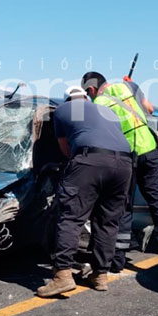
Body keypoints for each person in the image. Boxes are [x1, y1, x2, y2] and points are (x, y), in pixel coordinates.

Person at [37, 86, 133, 297]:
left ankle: (62, 275)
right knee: (107, 221)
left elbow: (65, 150)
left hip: (90, 160)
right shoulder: (107, 111)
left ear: (67, 99)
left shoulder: (62, 110)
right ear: (86, 97)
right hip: (124, 164)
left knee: (71, 217)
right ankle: (100, 274)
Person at [83, 71, 158, 279]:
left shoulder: (98, 103)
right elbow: (150, 108)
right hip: (150, 150)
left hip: (127, 155)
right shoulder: (128, 87)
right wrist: (133, 86)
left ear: (91, 89)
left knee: (123, 206)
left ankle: (117, 261)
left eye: (87, 93)